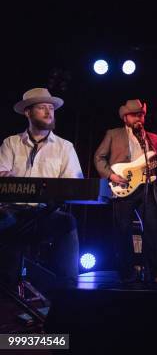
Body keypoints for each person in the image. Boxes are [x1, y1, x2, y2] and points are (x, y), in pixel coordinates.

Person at [94, 99, 157, 286]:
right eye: (135, 115)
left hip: (147, 186)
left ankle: (156, 272)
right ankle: (126, 272)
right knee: (123, 230)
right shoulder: (113, 134)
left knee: (153, 229)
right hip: (123, 185)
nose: (139, 118)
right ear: (125, 117)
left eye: (141, 114)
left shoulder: (153, 138)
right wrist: (111, 175)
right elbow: (99, 157)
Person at [0, 88, 82, 289]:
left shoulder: (65, 147)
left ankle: (68, 290)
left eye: (51, 108)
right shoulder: (11, 143)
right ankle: (7, 287)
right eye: (42, 107)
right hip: (13, 211)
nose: (49, 112)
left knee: (67, 221)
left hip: (46, 211)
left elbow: (74, 183)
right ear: (28, 112)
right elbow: (2, 176)